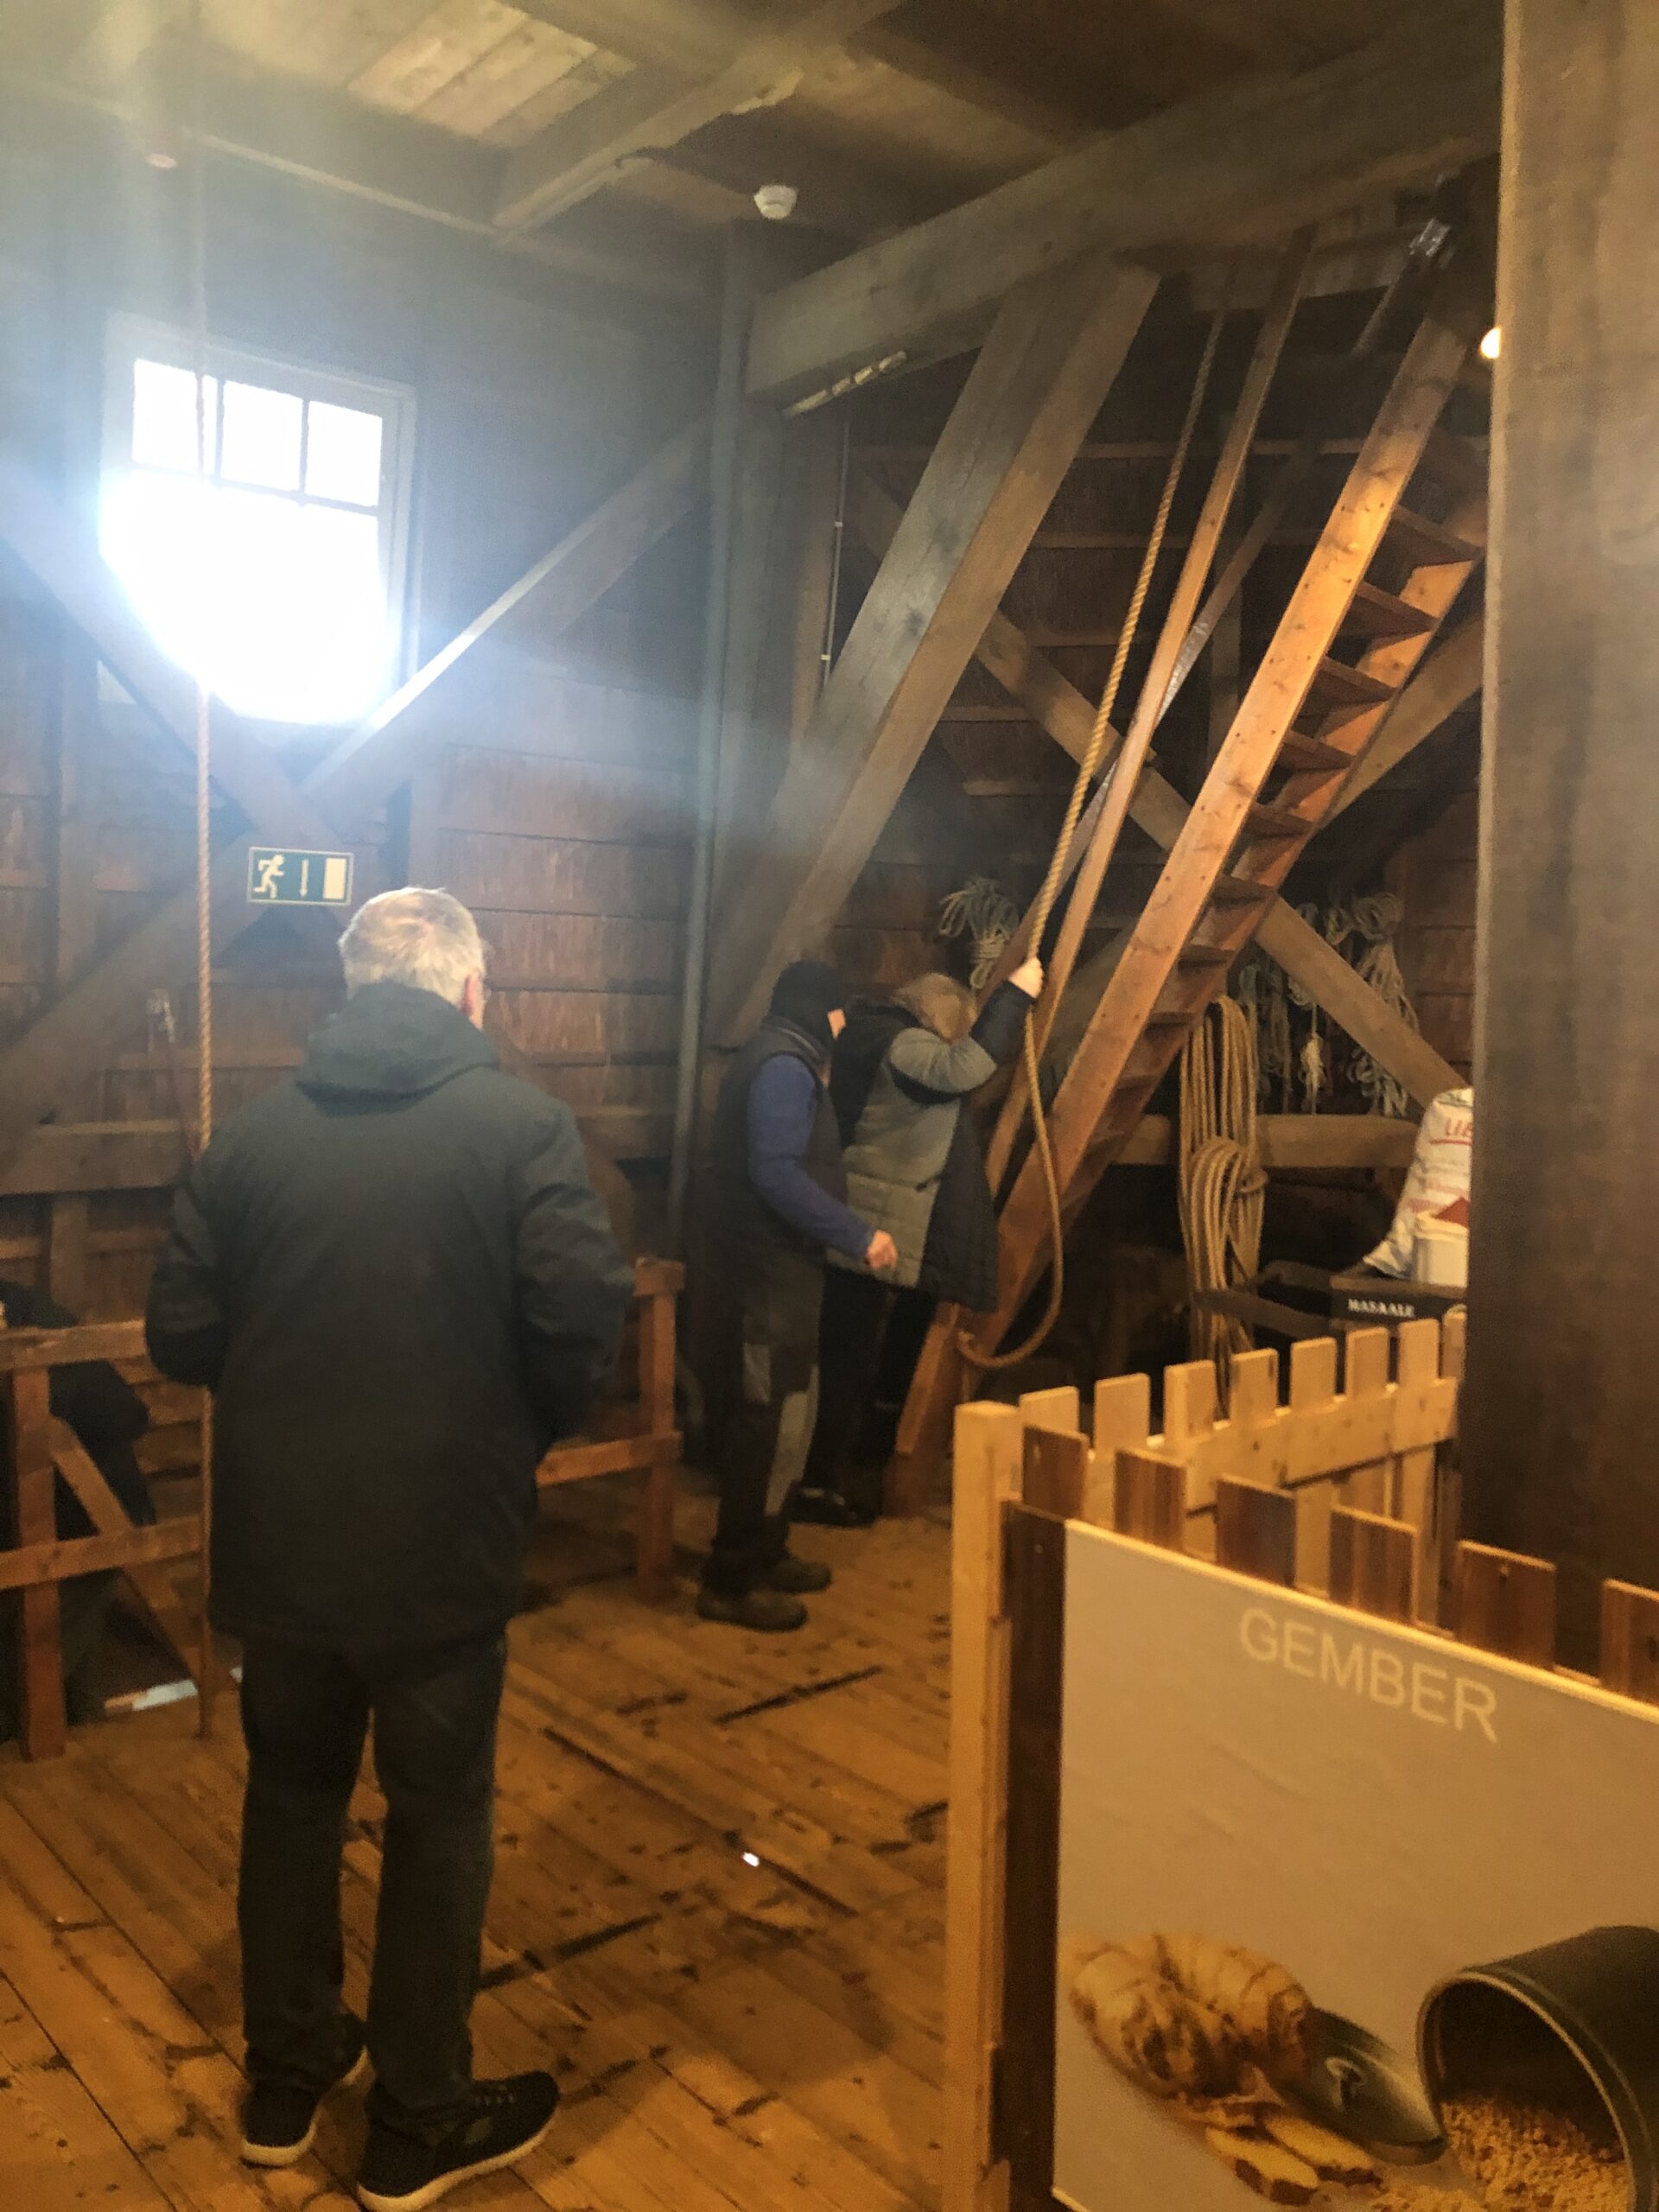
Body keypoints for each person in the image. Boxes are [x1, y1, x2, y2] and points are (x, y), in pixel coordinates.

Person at [144, 887, 632, 2212]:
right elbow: (582, 1324)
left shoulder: (248, 1144)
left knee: (290, 1802)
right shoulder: (524, 1131)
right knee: (438, 1818)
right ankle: (417, 2121)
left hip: (282, 1553)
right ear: (473, 993)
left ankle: (289, 2078)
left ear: (353, 991)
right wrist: (518, 1431)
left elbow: (180, 1338)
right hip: (441, 1552)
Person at [798, 958, 1043, 1524]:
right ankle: (819, 1483)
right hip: (875, 1220)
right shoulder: (902, 1043)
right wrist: (1016, 995)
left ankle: (834, 1472)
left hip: (868, 1212)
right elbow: (961, 1070)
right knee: (846, 1362)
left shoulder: (867, 1034)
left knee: (850, 1355)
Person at [699, 958, 898, 1633]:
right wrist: (857, 1234)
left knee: (790, 1413)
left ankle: (768, 1549)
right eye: (840, 1012)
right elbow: (776, 1174)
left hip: (782, 1273)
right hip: (769, 1275)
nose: (843, 1024)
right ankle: (730, 1578)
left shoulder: (781, 1057)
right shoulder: (784, 1067)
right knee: (766, 1420)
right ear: (821, 1011)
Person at [0, 1277, 153, 1738]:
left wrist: (28, 1375)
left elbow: (127, 1415)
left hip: (91, 1521)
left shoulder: (28, 1316)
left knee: (20, 1691)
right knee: (70, 1685)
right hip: (49, 1532)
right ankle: (93, 1746)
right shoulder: (22, 1308)